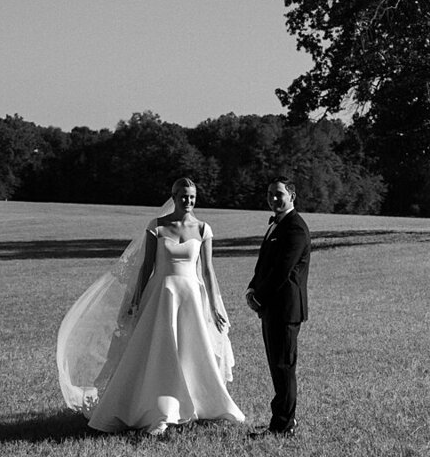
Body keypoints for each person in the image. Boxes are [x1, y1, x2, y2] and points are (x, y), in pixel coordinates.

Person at [56, 176, 245, 436]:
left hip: (190, 297)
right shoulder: (156, 226)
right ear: (174, 196)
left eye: (192, 196)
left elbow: (209, 271)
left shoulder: (203, 229)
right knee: (159, 351)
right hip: (161, 296)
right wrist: (135, 300)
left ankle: (201, 403)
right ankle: (157, 409)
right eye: (183, 195)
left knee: (192, 351)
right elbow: (147, 268)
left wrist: (214, 306)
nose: (187, 200)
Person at [245, 177, 311, 437]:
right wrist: (252, 288)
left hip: (285, 309)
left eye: (279, 194)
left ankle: (284, 425)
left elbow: (282, 270)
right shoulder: (279, 224)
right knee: (278, 366)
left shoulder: (295, 228)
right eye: (270, 193)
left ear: (292, 196)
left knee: (284, 368)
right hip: (273, 308)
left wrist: (259, 298)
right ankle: (282, 419)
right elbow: (265, 265)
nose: (274, 198)